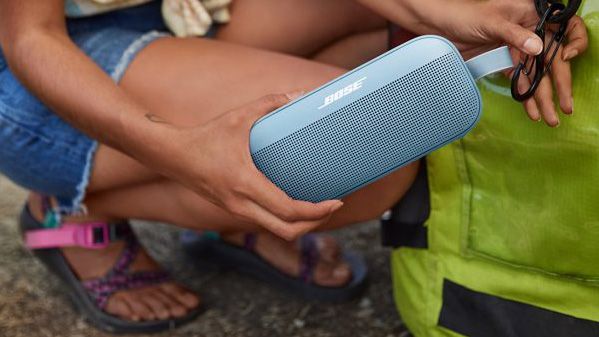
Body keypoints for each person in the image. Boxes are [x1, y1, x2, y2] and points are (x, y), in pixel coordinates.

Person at [0, 0, 586, 332]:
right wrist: (181, 152)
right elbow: (30, 39)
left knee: (399, 31)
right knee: (365, 167)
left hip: (173, 10)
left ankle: (229, 209)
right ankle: (72, 202)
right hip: (34, 63)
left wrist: (467, 15)